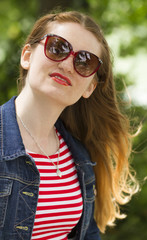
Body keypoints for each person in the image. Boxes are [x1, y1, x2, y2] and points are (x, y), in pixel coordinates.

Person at [0, 10, 139, 240]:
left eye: (84, 62)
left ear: (89, 88)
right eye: (57, 48)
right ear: (27, 56)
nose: (66, 65)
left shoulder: (78, 155)